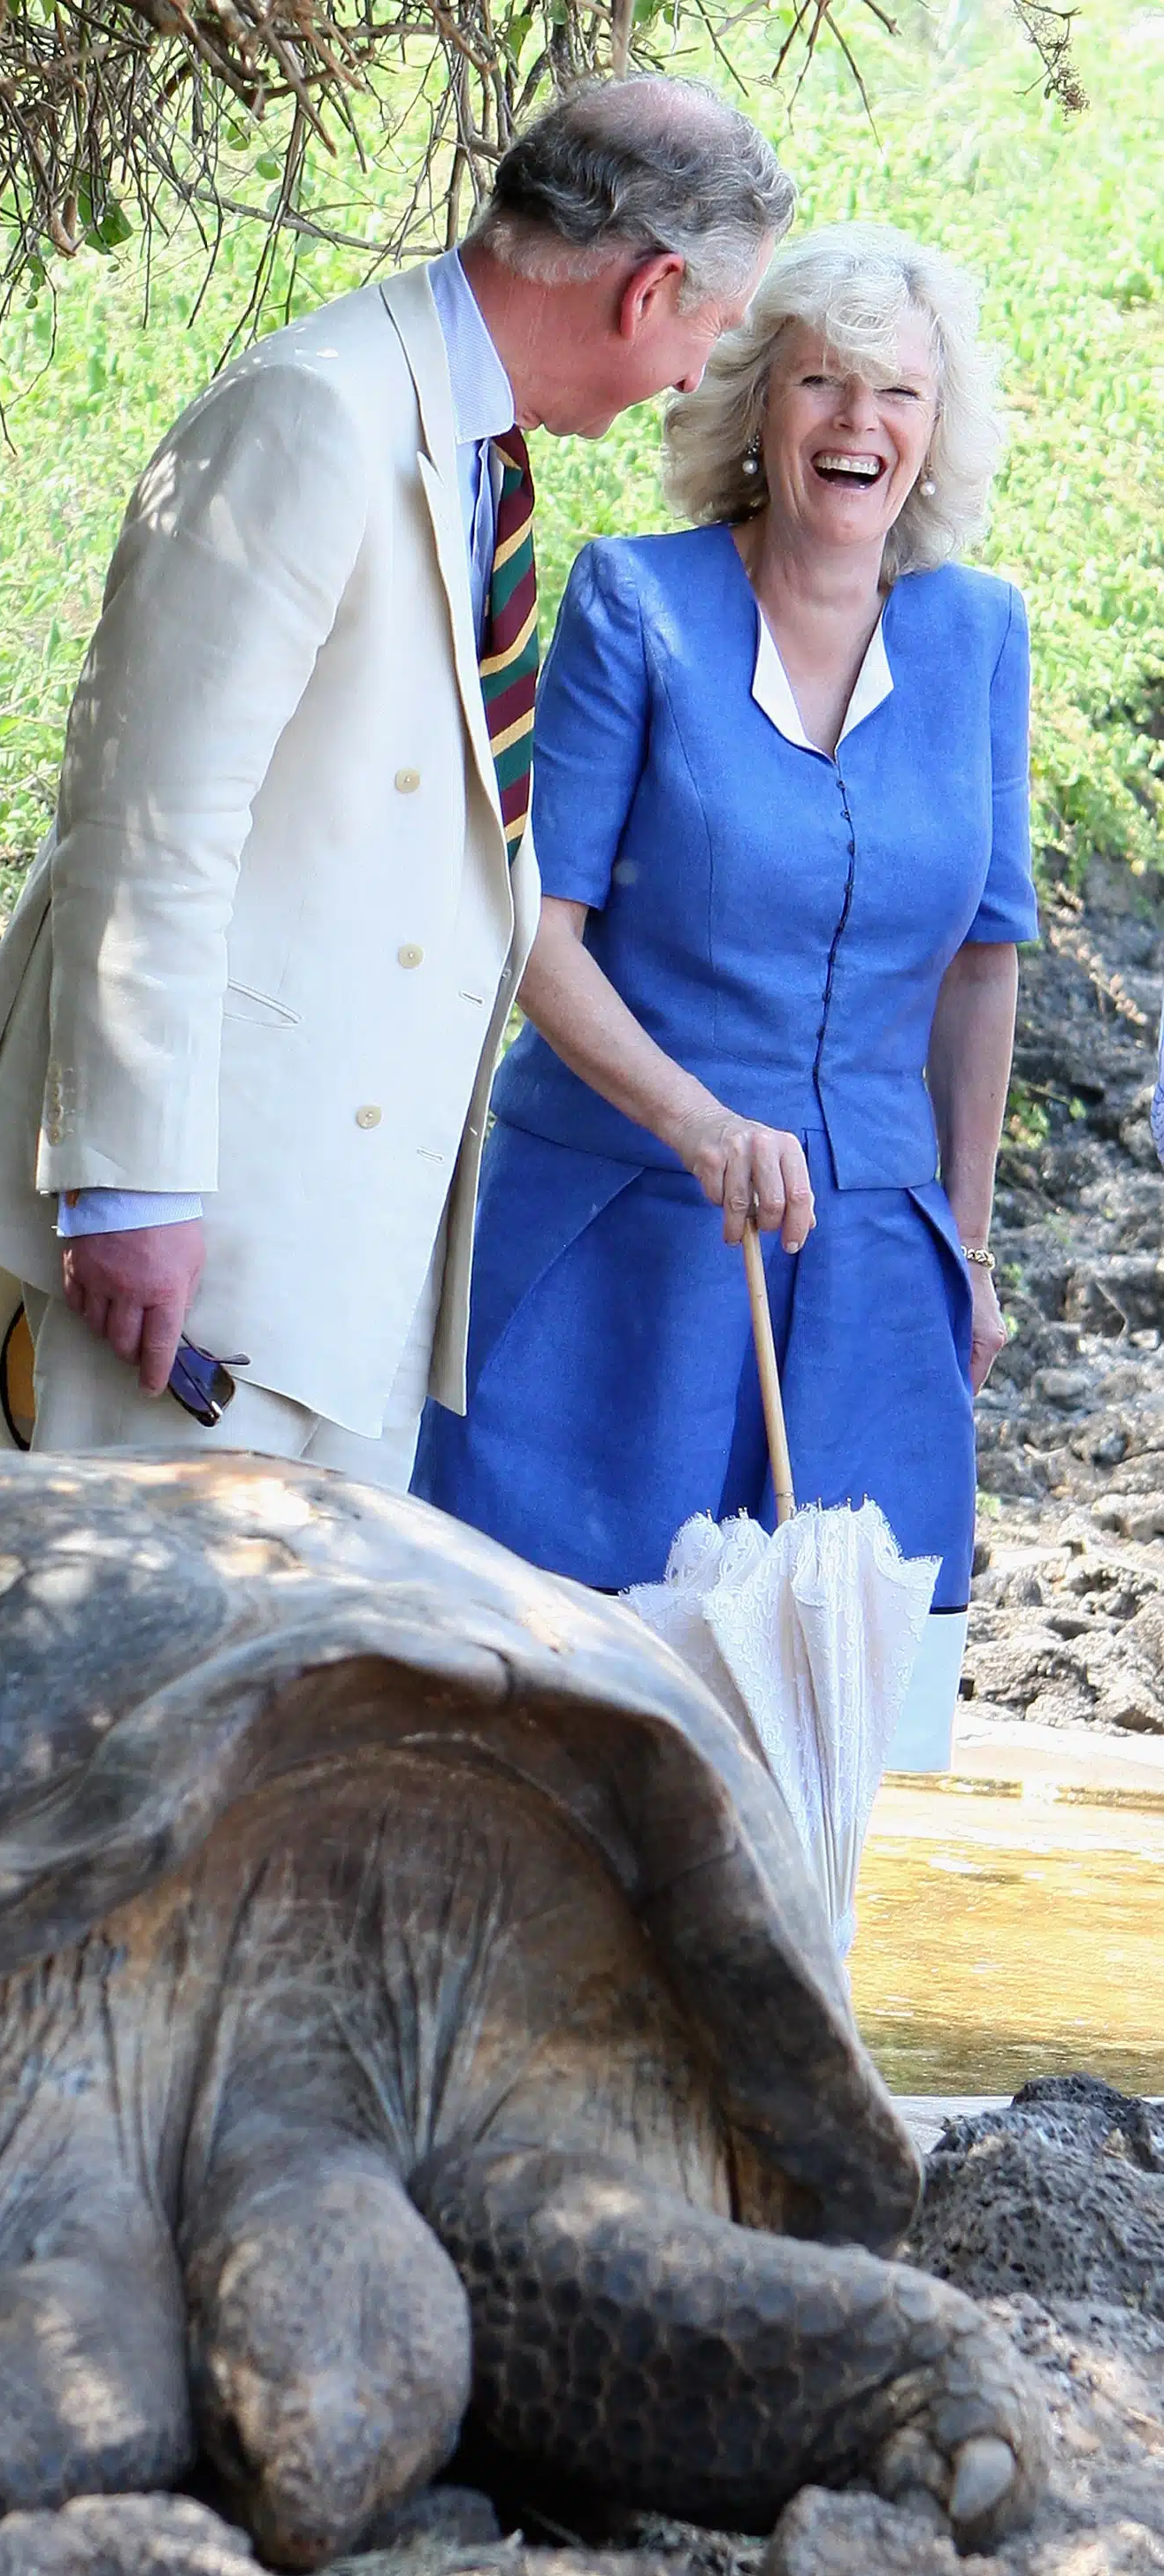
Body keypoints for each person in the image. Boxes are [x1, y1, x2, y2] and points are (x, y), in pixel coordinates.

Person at [0, 80, 793, 1487]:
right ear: (650, 288)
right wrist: (129, 1184)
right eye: (711, 331)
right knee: (160, 1677)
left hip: (351, 1250)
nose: (694, 376)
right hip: (214, 1237)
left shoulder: (464, 441)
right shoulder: (309, 414)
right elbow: (149, 817)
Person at [412, 222, 1034, 1764]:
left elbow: (981, 961)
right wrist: (698, 1124)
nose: (859, 424)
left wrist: (964, 1238)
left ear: (934, 429)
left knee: (829, 1752)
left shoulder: (978, 637)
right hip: (616, 1251)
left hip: (880, 1282)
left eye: (897, 392)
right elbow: (531, 934)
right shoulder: (639, 606)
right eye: (821, 381)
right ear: (756, 405)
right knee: (549, 1740)